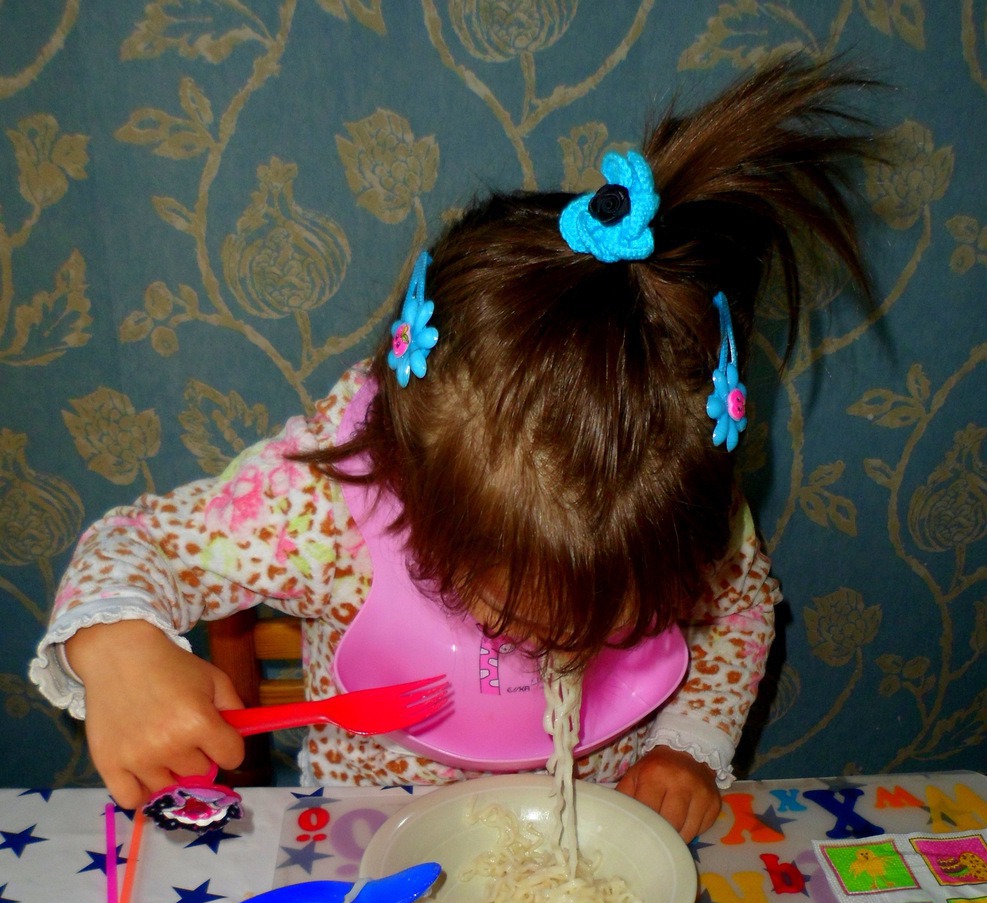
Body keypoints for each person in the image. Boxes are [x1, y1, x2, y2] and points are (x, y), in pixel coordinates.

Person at [30, 56, 875, 843]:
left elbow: (738, 612)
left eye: (611, 627)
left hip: (589, 831)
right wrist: (118, 649)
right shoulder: (326, 503)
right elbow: (138, 545)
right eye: (524, 626)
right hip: (371, 839)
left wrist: (687, 744)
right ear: (413, 494)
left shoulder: (667, 499)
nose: (565, 659)